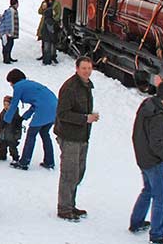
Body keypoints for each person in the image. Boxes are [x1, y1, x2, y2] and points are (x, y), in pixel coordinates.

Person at [130, 81, 163, 243]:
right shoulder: (158, 116)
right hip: (154, 161)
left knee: (147, 190)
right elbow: (157, 143)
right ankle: (157, 234)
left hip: (143, 157)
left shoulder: (148, 105)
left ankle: (136, 222)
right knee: (161, 197)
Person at [56, 56, 98, 221]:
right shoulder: (70, 88)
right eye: (84, 68)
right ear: (77, 69)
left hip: (81, 136)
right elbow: (62, 113)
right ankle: (64, 209)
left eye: (89, 68)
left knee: (78, 172)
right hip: (70, 136)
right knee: (69, 173)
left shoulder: (86, 86)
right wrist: (85, 119)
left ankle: (71, 204)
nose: (87, 71)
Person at [4, 69, 58, 170]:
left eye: (10, 82)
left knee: (31, 135)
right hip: (54, 108)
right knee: (45, 133)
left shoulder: (18, 87)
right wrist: (24, 117)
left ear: (13, 80)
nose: (10, 85)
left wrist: (6, 120)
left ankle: (24, 162)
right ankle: (49, 161)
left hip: (44, 109)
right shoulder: (30, 84)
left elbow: (14, 105)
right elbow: (35, 103)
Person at [37, 0, 62, 65]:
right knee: (44, 39)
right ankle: (45, 55)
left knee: (53, 41)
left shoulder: (56, 3)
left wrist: (54, 18)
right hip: (44, 23)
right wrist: (43, 7)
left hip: (53, 23)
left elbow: (58, 13)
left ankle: (53, 56)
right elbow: (39, 12)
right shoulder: (44, 3)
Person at [0, 95, 20, 162]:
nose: (6, 106)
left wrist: (17, 135)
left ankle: (15, 158)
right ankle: (2, 155)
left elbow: (18, 126)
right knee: (2, 146)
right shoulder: (2, 113)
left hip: (11, 135)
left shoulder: (15, 114)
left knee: (12, 148)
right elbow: (0, 123)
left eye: (8, 105)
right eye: (4, 104)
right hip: (3, 134)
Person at [0, 0, 20, 64]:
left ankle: (9, 57)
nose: (18, 5)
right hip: (7, 32)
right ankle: (6, 59)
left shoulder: (14, 10)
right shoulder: (10, 11)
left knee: (10, 44)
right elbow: (8, 22)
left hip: (11, 32)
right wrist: (8, 32)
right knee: (7, 45)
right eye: (17, 4)